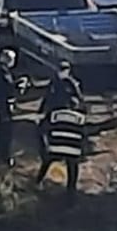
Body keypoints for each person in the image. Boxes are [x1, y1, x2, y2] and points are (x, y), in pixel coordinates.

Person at [36, 62, 87, 204]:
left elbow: (80, 100)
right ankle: (39, 181)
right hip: (57, 119)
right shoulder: (54, 83)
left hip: (63, 122)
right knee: (55, 157)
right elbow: (47, 99)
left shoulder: (72, 84)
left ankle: (71, 190)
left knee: (63, 160)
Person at [39, 61, 84, 164]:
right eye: (60, 69)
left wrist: (79, 109)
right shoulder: (54, 82)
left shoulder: (71, 83)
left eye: (64, 70)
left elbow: (79, 97)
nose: (62, 72)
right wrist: (41, 109)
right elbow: (47, 96)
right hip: (53, 110)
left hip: (66, 111)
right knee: (43, 130)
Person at [0, 47, 23, 165]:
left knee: (2, 130)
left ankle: (0, 154)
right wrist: (18, 84)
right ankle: (4, 156)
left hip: (0, 103)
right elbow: (8, 87)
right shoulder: (2, 72)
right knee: (6, 131)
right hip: (4, 104)